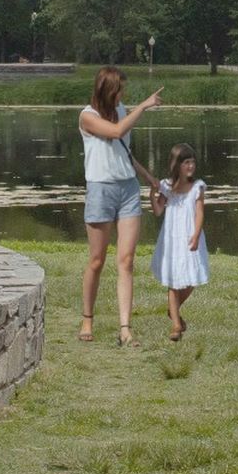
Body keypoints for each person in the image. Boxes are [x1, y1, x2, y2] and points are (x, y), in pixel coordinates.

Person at [78, 65, 163, 345]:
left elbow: (124, 153)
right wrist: (145, 106)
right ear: (106, 91)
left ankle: (125, 328)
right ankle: (87, 319)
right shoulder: (87, 117)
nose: (121, 95)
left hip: (127, 188)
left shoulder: (124, 110)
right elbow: (115, 133)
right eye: (118, 91)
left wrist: (149, 178)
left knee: (126, 261)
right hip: (100, 189)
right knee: (97, 260)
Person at [152, 142, 210, 341]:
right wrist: (152, 193)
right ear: (177, 164)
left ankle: (172, 309)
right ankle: (176, 325)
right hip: (171, 238)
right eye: (186, 162)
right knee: (173, 279)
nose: (191, 166)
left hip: (190, 235)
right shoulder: (167, 187)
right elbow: (158, 210)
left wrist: (196, 234)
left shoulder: (197, 187)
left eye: (192, 162)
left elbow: (200, 213)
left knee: (192, 278)